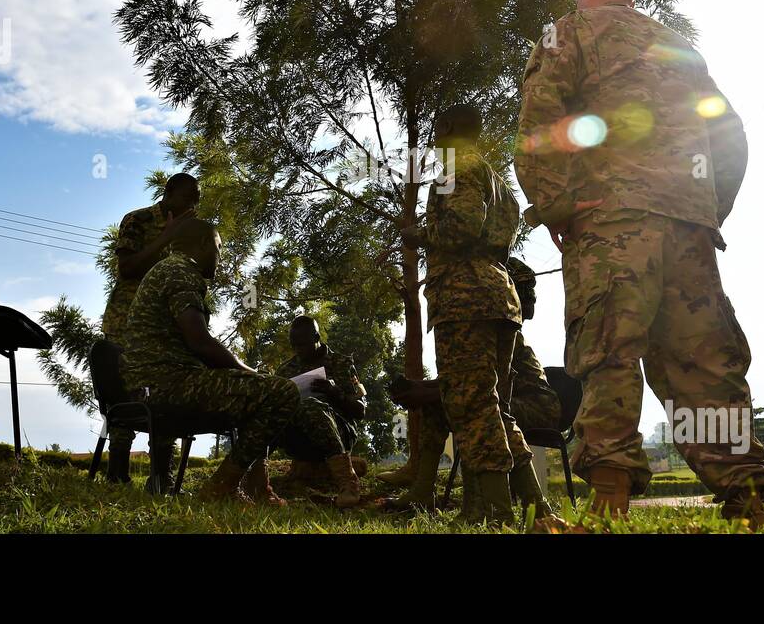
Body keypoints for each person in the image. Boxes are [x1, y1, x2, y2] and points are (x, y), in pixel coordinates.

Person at [514, 0, 764, 529]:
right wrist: (710, 208)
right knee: (704, 362)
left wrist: (553, 200)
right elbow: (731, 132)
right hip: (689, 228)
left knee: (609, 350)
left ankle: (608, 512)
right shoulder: (680, 46)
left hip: (611, 219)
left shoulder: (569, 30)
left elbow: (539, 115)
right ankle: (747, 503)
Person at [398, 104, 546, 525]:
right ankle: (536, 508)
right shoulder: (497, 180)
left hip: (464, 298)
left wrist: (419, 235)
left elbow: (462, 225)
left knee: (470, 404)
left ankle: (495, 513)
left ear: (444, 127)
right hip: (498, 296)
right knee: (494, 407)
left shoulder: (453, 166)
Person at [123, 217, 298, 504]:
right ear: (204, 244)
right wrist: (251, 374)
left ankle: (257, 487)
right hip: (166, 386)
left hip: (158, 384)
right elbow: (200, 342)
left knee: (255, 394)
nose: (220, 258)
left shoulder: (168, 269)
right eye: (219, 249)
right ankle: (222, 487)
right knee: (280, 392)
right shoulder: (180, 270)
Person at [386, 257, 560, 521]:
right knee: (451, 405)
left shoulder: (504, 336)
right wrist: (424, 390)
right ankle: (422, 489)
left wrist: (424, 390)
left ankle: (491, 509)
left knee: (475, 410)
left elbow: (478, 389)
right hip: (506, 398)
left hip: (537, 406)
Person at [101, 173, 205, 483]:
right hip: (126, 322)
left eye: (197, 198)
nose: (193, 204)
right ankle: (117, 472)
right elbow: (128, 268)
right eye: (188, 196)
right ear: (169, 192)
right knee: (121, 394)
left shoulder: (191, 231)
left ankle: (162, 475)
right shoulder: (138, 220)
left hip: (168, 327)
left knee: (166, 394)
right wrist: (166, 237)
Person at [258, 316, 367, 508]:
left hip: (340, 431)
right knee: (265, 413)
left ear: (316, 337)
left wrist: (335, 394)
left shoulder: (341, 364)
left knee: (311, 406)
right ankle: (254, 480)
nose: (298, 350)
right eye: (294, 345)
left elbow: (360, 410)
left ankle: (348, 483)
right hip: (298, 437)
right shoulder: (286, 369)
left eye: (302, 344)